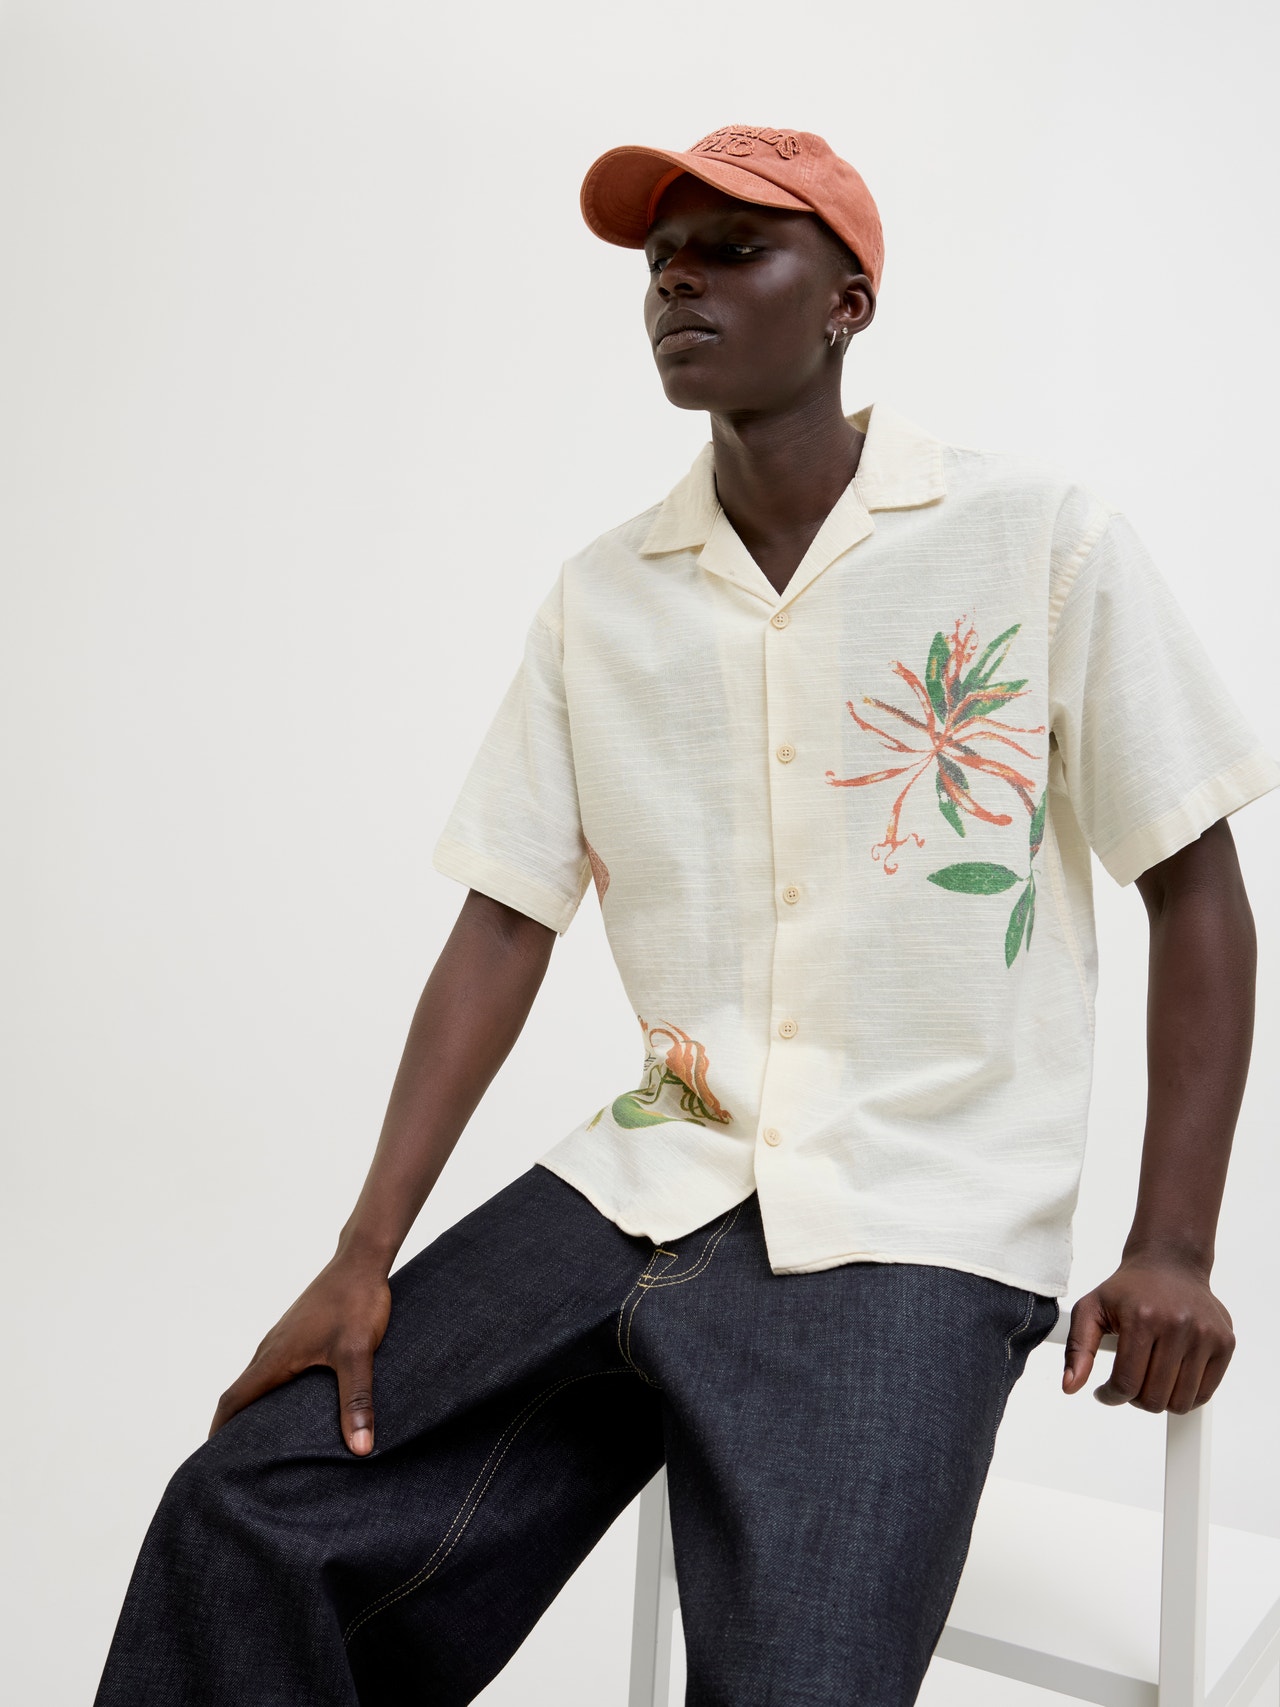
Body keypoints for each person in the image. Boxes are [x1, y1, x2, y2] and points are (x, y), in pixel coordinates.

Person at [93, 125, 1279, 1707]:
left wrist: (1174, 1243)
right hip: (647, 1179)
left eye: (734, 251)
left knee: (795, 1683)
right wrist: (363, 1254)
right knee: (247, 1515)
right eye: (661, 262)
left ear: (848, 304)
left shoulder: (1039, 542)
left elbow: (1193, 884)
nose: (679, 285)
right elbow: (503, 926)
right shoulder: (604, 597)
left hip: (913, 1215)